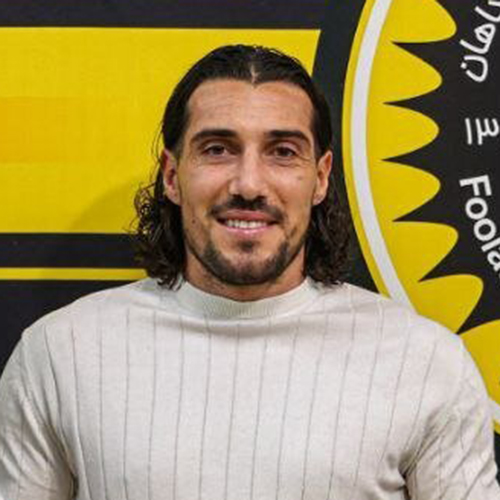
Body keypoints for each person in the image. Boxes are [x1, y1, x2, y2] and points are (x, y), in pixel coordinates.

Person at [0, 45, 498, 500]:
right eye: (218, 149)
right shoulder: (61, 353)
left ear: (321, 177)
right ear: (172, 175)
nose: (249, 184)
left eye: (283, 152)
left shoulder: (426, 364)